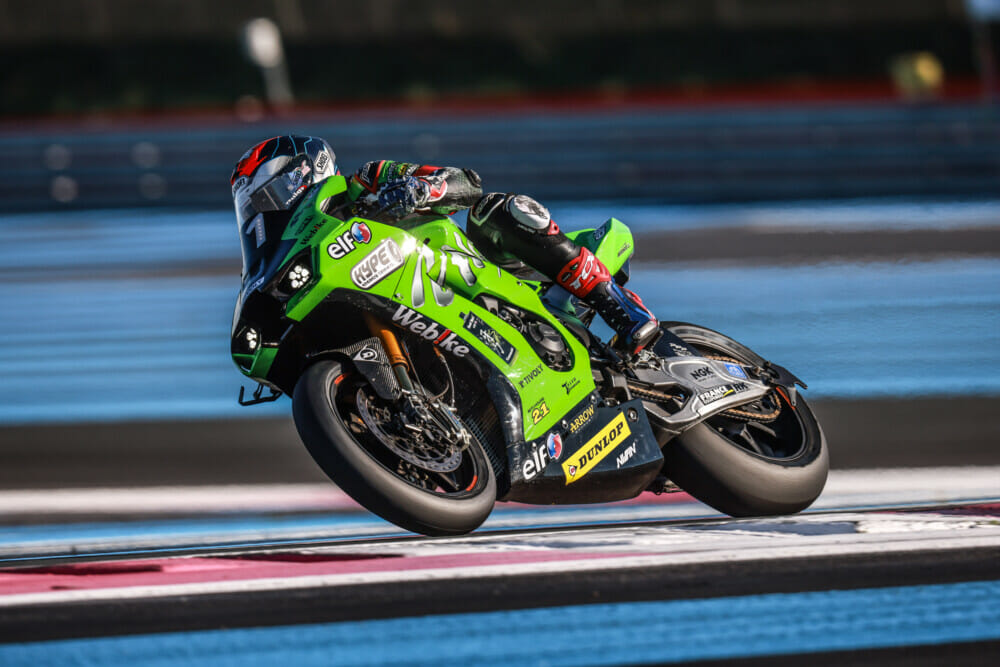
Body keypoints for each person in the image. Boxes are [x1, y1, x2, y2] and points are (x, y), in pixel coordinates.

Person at [231, 135, 658, 355]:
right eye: (251, 205)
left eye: (266, 193)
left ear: (303, 171)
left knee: (496, 211)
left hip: (483, 272)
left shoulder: (365, 181)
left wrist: (420, 189)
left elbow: (467, 183)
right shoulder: (302, 249)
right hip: (411, 307)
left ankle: (620, 308)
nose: (261, 208)